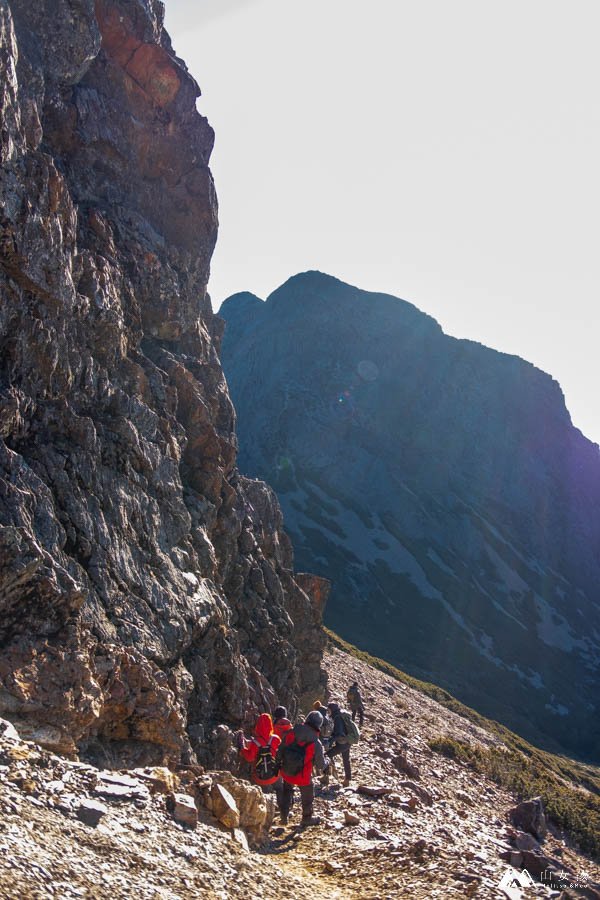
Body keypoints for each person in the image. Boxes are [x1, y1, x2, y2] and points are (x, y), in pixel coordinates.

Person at [277, 710, 329, 827]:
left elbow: (280, 749)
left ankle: (283, 816)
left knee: (287, 790)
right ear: (319, 725)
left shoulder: (291, 732)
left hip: (287, 771)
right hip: (303, 776)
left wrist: (278, 765)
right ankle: (307, 817)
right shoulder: (316, 742)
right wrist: (327, 762)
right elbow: (321, 765)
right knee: (308, 794)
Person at [236, 712, 281, 790]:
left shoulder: (255, 742)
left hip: (259, 778)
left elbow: (249, 758)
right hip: (275, 776)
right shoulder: (276, 739)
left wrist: (242, 747)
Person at [327, 701, 352, 786]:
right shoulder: (340, 715)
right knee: (346, 760)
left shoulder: (337, 718)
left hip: (342, 743)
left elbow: (339, 733)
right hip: (347, 741)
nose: (328, 712)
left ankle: (325, 777)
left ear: (332, 710)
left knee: (327, 755)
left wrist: (330, 741)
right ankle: (347, 780)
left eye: (329, 710)